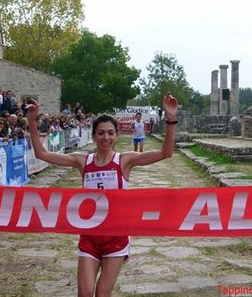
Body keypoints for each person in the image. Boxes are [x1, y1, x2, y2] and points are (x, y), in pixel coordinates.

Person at [27, 93, 178, 297]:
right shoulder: (83, 161)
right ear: (93, 136)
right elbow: (42, 155)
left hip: (116, 237)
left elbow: (165, 153)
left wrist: (170, 119)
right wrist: (31, 121)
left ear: (116, 136)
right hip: (89, 235)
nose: (105, 138)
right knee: (85, 293)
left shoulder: (124, 160)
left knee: (102, 293)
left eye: (110, 133)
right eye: (101, 133)